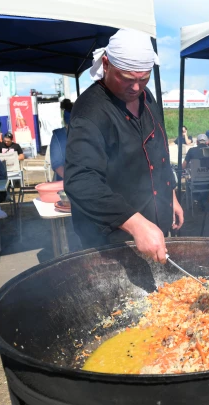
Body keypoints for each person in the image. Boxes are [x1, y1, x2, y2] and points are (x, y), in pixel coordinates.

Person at [64, 28, 183, 262]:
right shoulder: (90, 112)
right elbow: (80, 180)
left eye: (143, 78)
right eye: (127, 79)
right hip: (114, 239)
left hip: (155, 220)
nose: (136, 88)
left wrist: (171, 193)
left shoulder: (145, 96)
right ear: (106, 64)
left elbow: (158, 147)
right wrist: (136, 224)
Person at [49, 102, 72, 181]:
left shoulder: (85, 134)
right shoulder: (58, 136)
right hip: (64, 182)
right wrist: (70, 180)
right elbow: (57, 164)